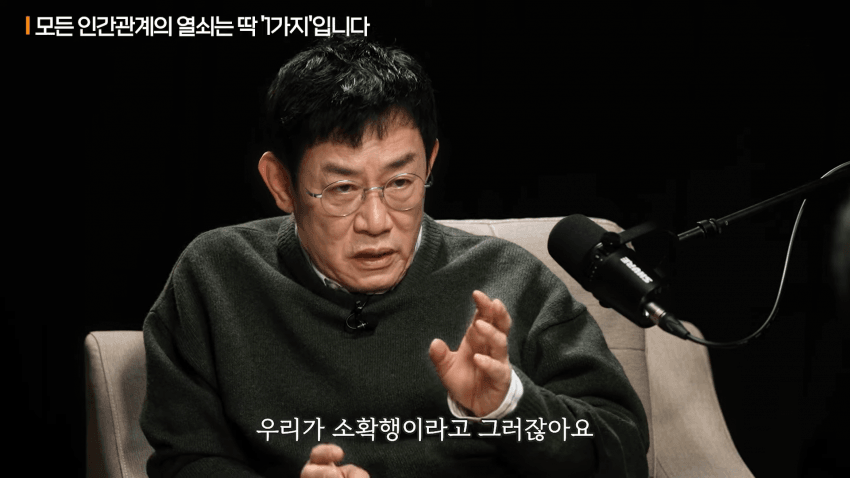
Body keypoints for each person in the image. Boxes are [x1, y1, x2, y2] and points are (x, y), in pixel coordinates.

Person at [140, 35, 650, 477]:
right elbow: (184, 460)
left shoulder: (510, 280)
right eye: (341, 188)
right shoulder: (217, 276)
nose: (376, 221)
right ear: (281, 183)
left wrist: (509, 406)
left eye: (401, 182)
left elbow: (622, 451)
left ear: (430, 162)